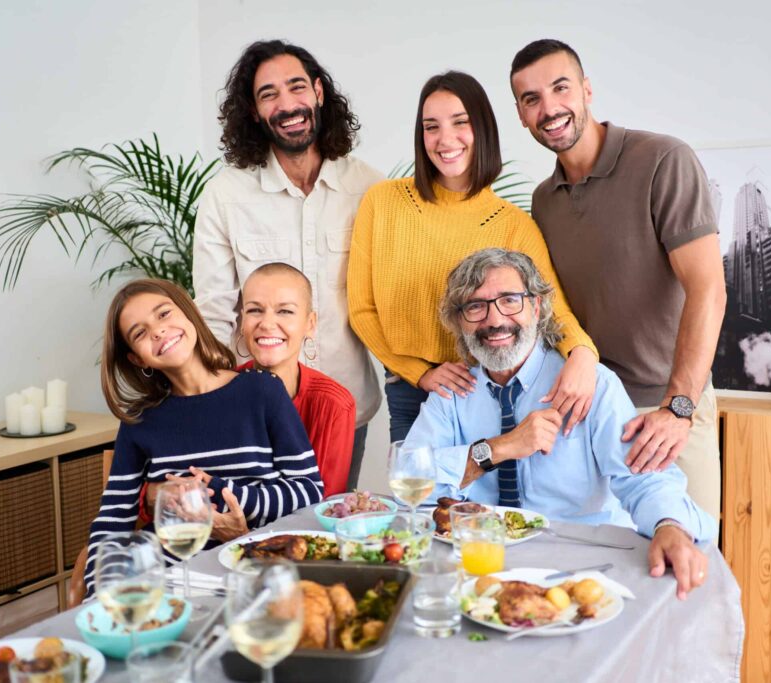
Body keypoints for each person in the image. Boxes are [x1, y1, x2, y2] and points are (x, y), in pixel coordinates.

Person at [405, 248, 716, 600]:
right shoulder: (453, 391)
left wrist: (669, 525)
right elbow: (411, 482)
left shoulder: (590, 384)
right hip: (481, 569)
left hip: (584, 563)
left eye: (510, 300)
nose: (494, 320)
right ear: (459, 321)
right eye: (475, 306)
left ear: (537, 307)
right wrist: (499, 448)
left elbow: (643, 478)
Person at [509, 39, 727, 519]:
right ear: (521, 116)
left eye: (560, 88)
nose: (549, 108)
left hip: (666, 410)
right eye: (531, 99)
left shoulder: (663, 160)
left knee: (689, 564)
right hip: (587, 416)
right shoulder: (544, 199)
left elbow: (708, 289)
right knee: (598, 574)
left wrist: (679, 409)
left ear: (586, 90)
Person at [347, 70, 598, 444]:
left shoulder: (513, 225)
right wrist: (419, 373)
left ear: (482, 129)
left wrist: (583, 354)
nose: (445, 139)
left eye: (460, 122)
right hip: (409, 390)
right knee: (418, 499)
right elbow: (362, 310)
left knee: (482, 502)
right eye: (431, 127)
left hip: (485, 389)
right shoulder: (382, 203)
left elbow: (552, 308)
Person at [194, 39, 381, 490]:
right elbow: (216, 310)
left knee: (328, 536)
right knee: (255, 536)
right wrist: (214, 406)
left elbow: (389, 299)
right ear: (254, 113)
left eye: (296, 87)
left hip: (346, 405)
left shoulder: (369, 188)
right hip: (251, 410)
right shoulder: (226, 196)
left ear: (318, 92)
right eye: (268, 95)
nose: (286, 104)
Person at [82, 278, 323, 597]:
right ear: (138, 359)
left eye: (164, 314)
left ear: (188, 313)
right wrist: (97, 594)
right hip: (169, 587)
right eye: (140, 333)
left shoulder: (262, 391)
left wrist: (224, 492)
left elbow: (309, 492)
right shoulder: (139, 421)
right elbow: (112, 519)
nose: (157, 330)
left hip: (253, 577)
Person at [237, 262, 356, 497]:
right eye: (255, 310)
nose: (267, 323)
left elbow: (325, 507)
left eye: (285, 311)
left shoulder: (335, 404)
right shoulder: (220, 391)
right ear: (242, 321)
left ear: (309, 324)